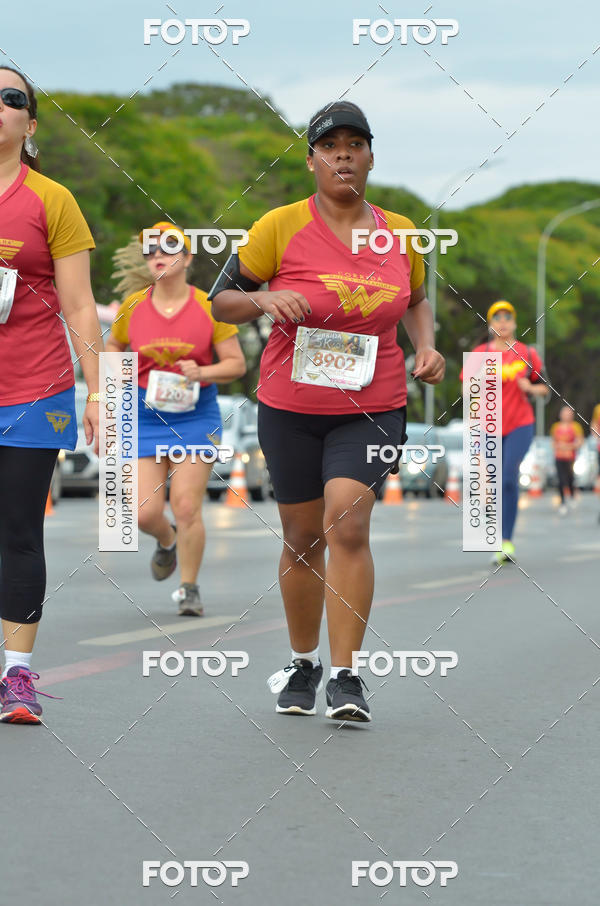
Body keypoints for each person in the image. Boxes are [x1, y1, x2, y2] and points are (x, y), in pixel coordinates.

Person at [210, 101, 445, 722]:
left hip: (373, 404)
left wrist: (426, 345)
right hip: (289, 404)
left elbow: (417, 298)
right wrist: (267, 297)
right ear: (312, 159)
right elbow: (222, 303)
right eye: (329, 145)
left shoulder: (399, 232)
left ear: (370, 156)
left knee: (348, 522)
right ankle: (303, 661)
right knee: (301, 534)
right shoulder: (278, 226)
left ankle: (346, 675)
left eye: (354, 144)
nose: (342, 154)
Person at [0, 68, 102, 723]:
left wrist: (98, 390)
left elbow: (79, 303)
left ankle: (17, 677)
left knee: (16, 529)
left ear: (30, 125)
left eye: (12, 99)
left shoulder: (52, 200)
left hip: (34, 390)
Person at [105, 223, 246, 615]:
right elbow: (113, 345)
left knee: (186, 506)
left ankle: (188, 587)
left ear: (187, 257)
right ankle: (166, 540)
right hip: (145, 416)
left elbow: (236, 363)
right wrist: (121, 372)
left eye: (167, 249)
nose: (157, 256)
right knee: (142, 512)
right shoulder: (133, 306)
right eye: (150, 251)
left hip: (194, 417)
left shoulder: (209, 306)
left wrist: (202, 373)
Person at [467, 301, 549, 565]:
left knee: (509, 477)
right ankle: (498, 538)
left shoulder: (527, 352)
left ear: (514, 323)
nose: (502, 322)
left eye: (507, 317)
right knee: (493, 484)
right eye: (497, 317)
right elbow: (466, 392)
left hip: (520, 424)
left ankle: (505, 541)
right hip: (489, 425)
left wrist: (530, 387)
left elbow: (545, 390)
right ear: (490, 324)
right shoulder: (480, 353)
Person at [550, 406, 583, 514]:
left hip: (570, 458)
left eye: (568, 413)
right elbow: (552, 442)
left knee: (570, 478)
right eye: (564, 413)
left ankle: (572, 494)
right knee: (560, 479)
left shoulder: (576, 427)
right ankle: (562, 502)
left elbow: (579, 442)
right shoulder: (556, 427)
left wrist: (568, 446)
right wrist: (558, 446)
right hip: (559, 457)